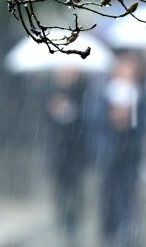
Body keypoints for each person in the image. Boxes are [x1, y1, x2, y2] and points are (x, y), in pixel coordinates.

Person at [89, 53, 146, 247]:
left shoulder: (139, 92)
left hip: (129, 149)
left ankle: (126, 225)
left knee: (128, 188)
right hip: (110, 149)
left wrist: (129, 119)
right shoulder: (102, 90)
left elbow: (143, 122)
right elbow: (93, 117)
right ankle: (110, 227)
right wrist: (111, 119)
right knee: (109, 188)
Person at [44, 67, 89, 246]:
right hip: (57, 152)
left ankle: (73, 222)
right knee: (60, 191)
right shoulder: (50, 91)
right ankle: (64, 222)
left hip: (76, 152)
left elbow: (85, 121)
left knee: (76, 190)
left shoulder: (82, 91)